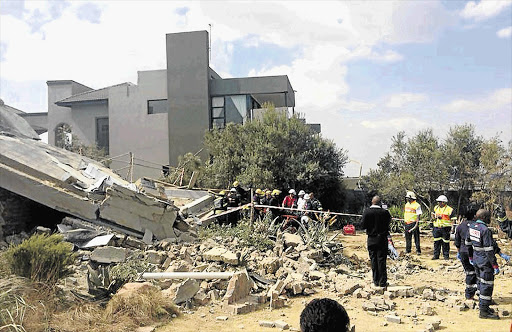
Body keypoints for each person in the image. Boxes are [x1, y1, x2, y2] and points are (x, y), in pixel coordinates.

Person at [465, 209, 500, 319]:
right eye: (489, 216)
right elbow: (489, 250)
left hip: (476, 259)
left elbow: (468, 243)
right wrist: (494, 265)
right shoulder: (485, 230)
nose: (490, 218)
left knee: (480, 282)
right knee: (487, 284)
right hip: (485, 261)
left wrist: (470, 256)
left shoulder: (471, 227)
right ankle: (484, 312)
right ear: (484, 218)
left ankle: (484, 306)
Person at [361, 196, 391, 288]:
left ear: (372, 202)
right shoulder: (385, 212)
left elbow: (362, 225)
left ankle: (375, 280)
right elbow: (388, 223)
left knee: (373, 259)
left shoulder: (367, 212)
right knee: (381, 260)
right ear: (380, 203)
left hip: (371, 238)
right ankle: (382, 282)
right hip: (382, 238)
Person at [454, 207, 478, 300]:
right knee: (477, 274)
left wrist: (459, 252)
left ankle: (469, 295)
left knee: (469, 273)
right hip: (475, 253)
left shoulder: (460, 226)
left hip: (463, 252)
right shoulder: (476, 226)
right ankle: (477, 294)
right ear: (474, 216)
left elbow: (457, 242)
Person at [431, 195, 455, 260]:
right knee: (436, 242)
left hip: (445, 228)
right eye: (438, 202)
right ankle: (436, 255)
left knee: (446, 242)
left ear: (443, 202)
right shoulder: (436, 208)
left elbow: (453, 219)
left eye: (439, 202)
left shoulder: (450, 209)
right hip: (437, 227)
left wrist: (452, 228)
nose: (438, 203)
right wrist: (434, 217)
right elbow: (432, 215)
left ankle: (446, 256)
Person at [404, 191, 422, 255]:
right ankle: (408, 250)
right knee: (408, 238)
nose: (406, 199)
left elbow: (418, 215)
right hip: (407, 223)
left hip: (413, 223)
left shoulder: (417, 205)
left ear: (411, 198)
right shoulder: (407, 204)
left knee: (416, 238)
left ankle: (418, 250)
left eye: (408, 198)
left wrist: (416, 224)